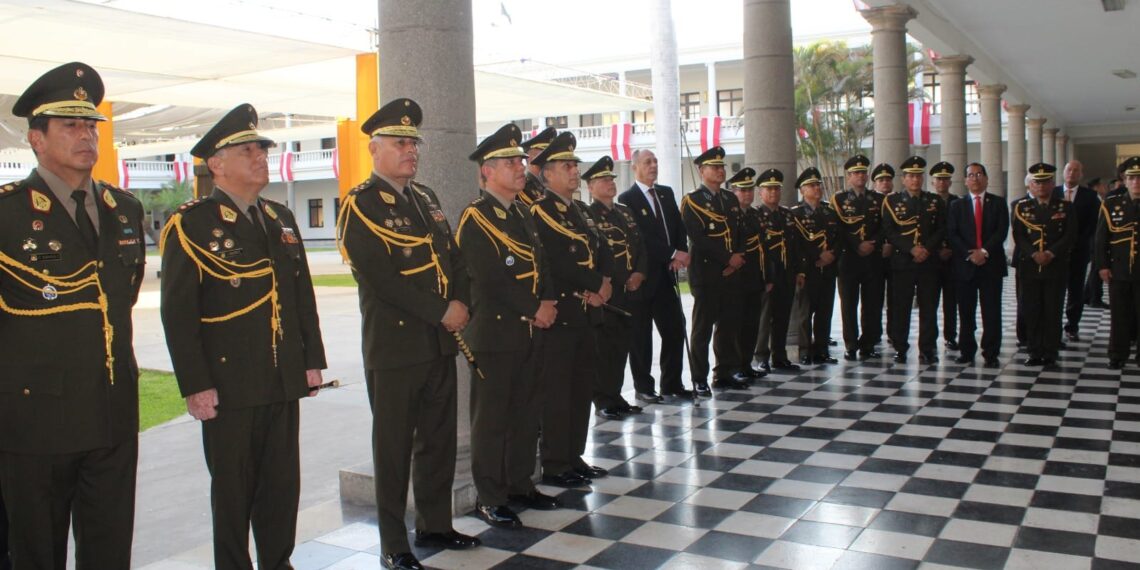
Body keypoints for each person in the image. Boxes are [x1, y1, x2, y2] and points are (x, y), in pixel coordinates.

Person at [161, 103, 328, 569]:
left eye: (261, 148)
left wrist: (310, 360)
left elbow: (301, 297)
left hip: (281, 377)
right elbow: (178, 313)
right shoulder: (192, 223)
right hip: (229, 383)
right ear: (216, 163)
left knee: (281, 485)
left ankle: (279, 562)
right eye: (248, 149)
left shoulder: (279, 217)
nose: (260, 156)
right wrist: (195, 384)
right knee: (233, 491)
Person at [0, 61, 144, 570]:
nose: (86, 137)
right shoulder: (8, 214)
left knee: (109, 554)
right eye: (70, 126)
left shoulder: (123, 209)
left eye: (91, 126)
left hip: (112, 413)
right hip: (36, 421)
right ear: (36, 139)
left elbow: (118, 301)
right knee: (37, 556)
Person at [335, 98, 478, 570]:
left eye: (414, 143)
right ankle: (393, 542)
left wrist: (461, 305)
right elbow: (381, 279)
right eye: (400, 143)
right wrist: (442, 310)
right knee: (393, 448)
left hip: (437, 342)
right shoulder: (360, 204)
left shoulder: (427, 199)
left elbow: (453, 259)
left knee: (437, 441)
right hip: (396, 348)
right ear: (374, 149)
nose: (410, 150)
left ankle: (435, 523)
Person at [457, 123, 562, 529]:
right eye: (511, 162)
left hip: (531, 330)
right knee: (492, 420)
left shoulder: (522, 212)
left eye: (521, 160)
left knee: (524, 415)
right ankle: (490, 495)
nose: (521, 167)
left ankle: (520, 484)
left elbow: (542, 263)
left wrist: (548, 303)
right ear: (487, 171)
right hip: (496, 335)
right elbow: (488, 279)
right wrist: (536, 307)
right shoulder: (476, 217)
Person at [528, 132, 613, 487]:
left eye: (575, 165)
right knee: (558, 393)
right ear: (547, 174)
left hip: (587, 314)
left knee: (581, 389)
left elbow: (603, 248)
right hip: (563, 314)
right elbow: (558, 262)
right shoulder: (541, 211)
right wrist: (594, 285)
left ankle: (575, 455)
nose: (575, 171)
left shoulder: (579, 210)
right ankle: (555, 462)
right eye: (567, 166)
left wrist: (605, 283)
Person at [617, 149, 691, 401]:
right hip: (643, 276)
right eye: (648, 162)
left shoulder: (666, 193)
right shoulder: (627, 199)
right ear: (635, 167)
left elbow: (678, 227)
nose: (653, 166)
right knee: (641, 336)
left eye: (656, 161)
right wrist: (672, 253)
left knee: (674, 328)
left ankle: (671, 384)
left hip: (666, 276)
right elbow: (641, 238)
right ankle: (643, 386)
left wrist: (682, 251)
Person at [585, 156, 648, 415]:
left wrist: (640, 273)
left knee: (622, 347)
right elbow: (596, 255)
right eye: (603, 180)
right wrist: (617, 279)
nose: (610, 183)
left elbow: (640, 245)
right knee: (604, 350)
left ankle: (617, 395)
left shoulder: (624, 211)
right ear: (590, 186)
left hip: (631, 291)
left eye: (611, 178)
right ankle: (602, 400)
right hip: (609, 294)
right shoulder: (588, 215)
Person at [680, 146, 747, 392]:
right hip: (707, 274)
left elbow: (740, 231)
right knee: (702, 329)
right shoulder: (693, 200)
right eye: (714, 167)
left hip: (732, 272)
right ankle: (699, 377)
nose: (720, 171)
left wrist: (737, 257)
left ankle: (724, 373)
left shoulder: (730, 198)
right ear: (701, 171)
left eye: (722, 167)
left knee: (729, 326)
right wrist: (728, 259)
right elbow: (698, 238)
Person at [1011, 163, 1075, 368]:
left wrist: (1050, 252)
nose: (1040, 186)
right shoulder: (1022, 207)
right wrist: (1033, 253)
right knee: (1032, 309)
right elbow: (1018, 235)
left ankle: (1050, 351)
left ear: (1052, 183)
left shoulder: (1065, 207)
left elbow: (1070, 235)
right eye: (1036, 182)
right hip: (1029, 267)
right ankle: (1034, 350)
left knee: (1052, 309)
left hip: (1055, 266)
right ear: (1030, 185)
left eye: (1045, 182)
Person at [883, 156, 945, 364]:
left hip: (929, 262)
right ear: (903, 179)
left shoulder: (934, 201)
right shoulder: (892, 202)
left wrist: (926, 249)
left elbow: (940, 230)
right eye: (910, 176)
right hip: (903, 262)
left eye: (918, 176)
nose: (915, 180)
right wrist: (911, 249)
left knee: (929, 307)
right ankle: (900, 347)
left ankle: (927, 348)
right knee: (901, 307)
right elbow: (890, 232)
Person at [947, 163, 1008, 367]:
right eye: (971, 175)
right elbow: (952, 234)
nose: (975, 178)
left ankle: (991, 352)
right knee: (966, 312)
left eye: (979, 174)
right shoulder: (957, 206)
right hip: (965, 267)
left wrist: (984, 252)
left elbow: (1001, 231)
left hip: (991, 265)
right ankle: (966, 350)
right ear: (965, 181)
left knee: (991, 311)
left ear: (986, 179)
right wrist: (969, 254)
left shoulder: (998, 203)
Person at [831, 155, 885, 361]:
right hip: (849, 259)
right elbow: (839, 228)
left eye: (863, 172)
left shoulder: (878, 199)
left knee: (872, 303)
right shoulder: (839, 199)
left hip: (873, 258)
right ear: (849, 176)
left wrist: (872, 244)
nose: (860, 176)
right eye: (856, 173)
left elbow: (884, 226)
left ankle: (868, 344)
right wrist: (857, 244)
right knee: (848, 304)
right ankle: (851, 344)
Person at [790, 167, 839, 365]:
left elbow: (838, 237)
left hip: (828, 269)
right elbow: (797, 243)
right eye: (811, 185)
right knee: (805, 313)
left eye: (818, 184)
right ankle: (804, 350)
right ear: (802, 190)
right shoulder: (796, 214)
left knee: (825, 312)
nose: (816, 188)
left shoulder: (829, 211)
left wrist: (831, 255)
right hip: (808, 269)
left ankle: (821, 349)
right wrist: (818, 254)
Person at [753, 169, 800, 372]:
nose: (773, 192)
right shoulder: (757, 216)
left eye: (776, 189)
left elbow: (795, 246)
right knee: (765, 317)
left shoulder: (787, 215)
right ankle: (761, 356)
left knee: (783, 316)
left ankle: (779, 356)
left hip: (787, 273)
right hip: (767, 275)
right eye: (768, 189)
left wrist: (799, 271)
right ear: (760, 192)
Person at [1095, 156, 1140, 370]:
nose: (1136, 182)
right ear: (1124, 179)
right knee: (1119, 314)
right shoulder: (1112, 204)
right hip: (1119, 268)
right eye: (1131, 177)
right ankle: (1117, 354)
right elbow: (1101, 238)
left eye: (1139, 177)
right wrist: (1102, 265)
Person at [730, 168, 771, 381]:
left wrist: (767, 278)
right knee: (736, 324)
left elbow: (765, 248)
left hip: (755, 277)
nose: (747, 194)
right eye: (742, 190)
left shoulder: (756, 215)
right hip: (737, 277)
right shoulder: (731, 216)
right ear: (733, 192)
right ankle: (735, 365)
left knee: (752, 324)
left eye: (749, 190)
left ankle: (746, 363)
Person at [1060, 160, 1100, 342]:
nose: (1072, 173)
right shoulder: (1053, 192)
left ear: (1081, 175)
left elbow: (1092, 226)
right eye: (1069, 169)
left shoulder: (1090, 196)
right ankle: (1052, 325)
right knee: (1054, 290)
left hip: (1079, 251)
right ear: (1063, 172)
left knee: (1075, 290)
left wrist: (1074, 242)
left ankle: (1072, 325)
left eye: (1076, 170)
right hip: (1056, 252)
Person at [929, 161, 960, 351]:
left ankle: (950, 336)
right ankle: (930, 338)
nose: (942, 182)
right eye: (939, 179)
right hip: (932, 259)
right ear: (933, 182)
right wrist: (936, 249)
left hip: (953, 259)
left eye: (945, 179)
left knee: (951, 302)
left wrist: (952, 249)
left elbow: (962, 230)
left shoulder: (958, 203)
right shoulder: (927, 202)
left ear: (950, 182)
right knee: (930, 302)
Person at [872, 163, 896, 349]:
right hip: (876, 256)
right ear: (875, 184)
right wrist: (880, 245)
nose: (885, 183)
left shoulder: (898, 201)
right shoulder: (872, 202)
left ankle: (894, 333)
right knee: (875, 297)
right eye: (881, 180)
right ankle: (874, 333)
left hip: (897, 256)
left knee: (896, 298)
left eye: (888, 179)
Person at [518, 126, 555, 206]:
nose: (549, 159)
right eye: (544, 154)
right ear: (530, 158)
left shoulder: (547, 186)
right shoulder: (523, 188)